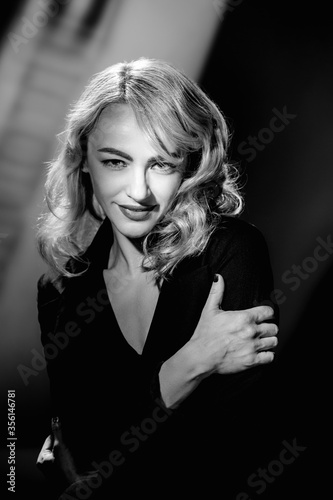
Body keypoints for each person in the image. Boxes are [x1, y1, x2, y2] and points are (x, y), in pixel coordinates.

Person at [35, 57, 279, 499]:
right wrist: (192, 363)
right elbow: (81, 449)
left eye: (162, 164)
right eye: (115, 161)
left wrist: (91, 479)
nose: (139, 191)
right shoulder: (60, 291)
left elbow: (229, 453)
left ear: (190, 165)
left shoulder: (231, 252)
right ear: (84, 158)